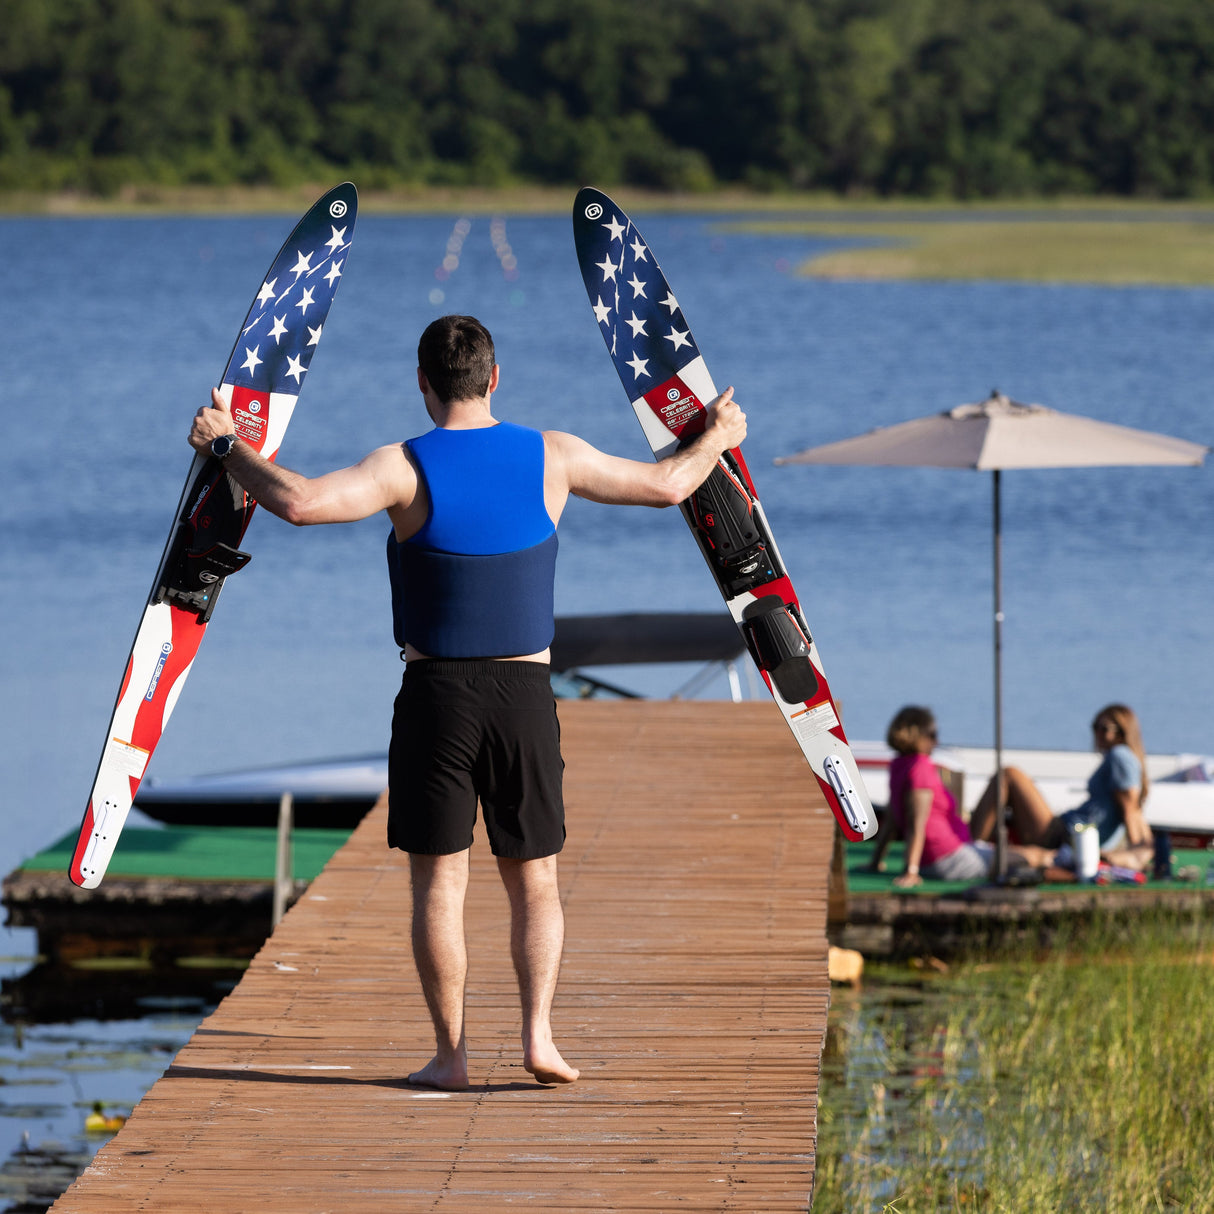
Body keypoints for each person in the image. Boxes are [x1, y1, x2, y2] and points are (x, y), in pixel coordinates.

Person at [188, 314, 747, 1091]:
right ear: (494, 377)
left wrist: (224, 445)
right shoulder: (555, 454)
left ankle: (450, 1057)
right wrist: (717, 435)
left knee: (439, 884)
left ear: (422, 384)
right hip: (524, 693)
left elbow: (303, 503)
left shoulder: (401, 466)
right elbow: (667, 486)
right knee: (537, 880)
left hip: (437, 695)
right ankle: (540, 1041)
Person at [868, 706, 1049, 887]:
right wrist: (911, 872)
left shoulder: (899, 766)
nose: (936, 741)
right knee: (1035, 856)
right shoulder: (920, 768)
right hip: (950, 859)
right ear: (918, 736)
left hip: (940, 858)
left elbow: (891, 821)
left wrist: (875, 863)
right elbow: (917, 824)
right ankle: (1071, 862)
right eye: (932, 735)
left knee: (1022, 853)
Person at [970, 703, 1152, 868]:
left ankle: (971, 848)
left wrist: (1137, 849)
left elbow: (1130, 807)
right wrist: (1145, 845)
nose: (1098, 734)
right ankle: (972, 846)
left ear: (1123, 732)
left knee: (1009, 775)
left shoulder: (1120, 755)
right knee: (1011, 779)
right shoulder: (1124, 758)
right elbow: (1133, 807)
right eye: (1095, 727)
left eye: (1104, 729)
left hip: (1065, 835)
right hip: (1072, 834)